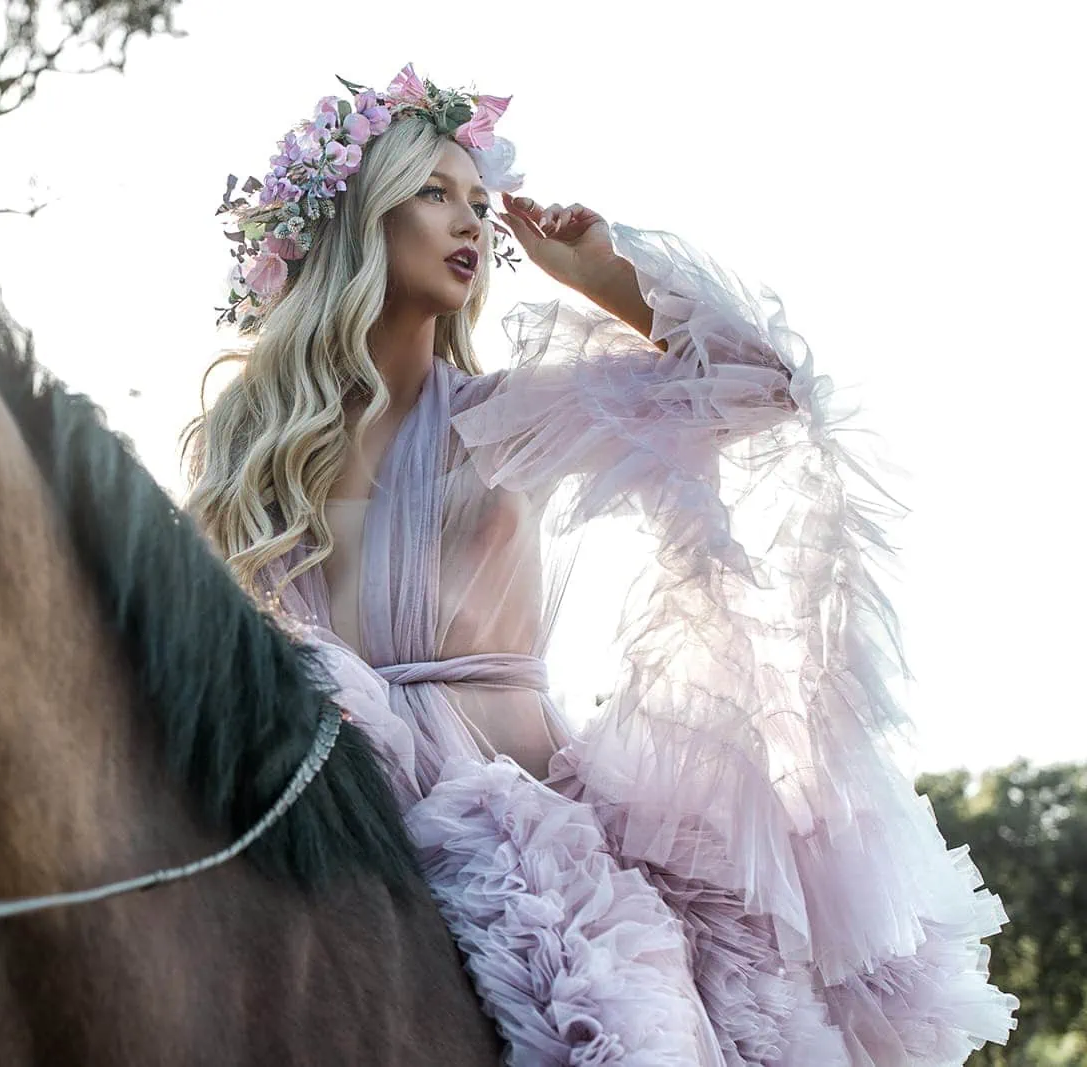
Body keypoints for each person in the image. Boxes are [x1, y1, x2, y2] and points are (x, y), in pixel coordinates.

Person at [184, 64, 1019, 1065]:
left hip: (530, 824)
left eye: (477, 202)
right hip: (333, 812)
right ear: (360, 218)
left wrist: (597, 275)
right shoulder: (256, 439)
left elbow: (765, 386)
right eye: (433, 193)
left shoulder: (505, 414)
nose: (469, 223)